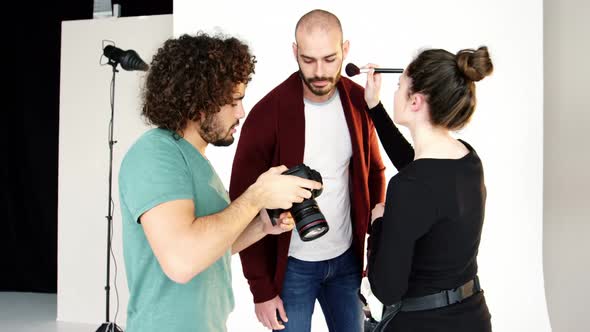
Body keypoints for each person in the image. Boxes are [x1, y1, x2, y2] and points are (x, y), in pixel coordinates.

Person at [118, 33, 322, 332]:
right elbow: (182, 260)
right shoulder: (155, 154)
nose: (241, 112)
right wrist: (255, 197)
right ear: (200, 103)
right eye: (233, 102)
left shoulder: (196, 161)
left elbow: (209, 248)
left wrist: (262, 226)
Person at [229, 9, 412, 332]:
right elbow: (243, 203)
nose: (319, 72)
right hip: (292, 268)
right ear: (294, 52)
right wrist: (261, 289)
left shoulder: (358, 101)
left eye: (329, 59)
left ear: (346, 50)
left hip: (348, 263)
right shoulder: (267, 113)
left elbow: (374, 171)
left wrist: (375, 244)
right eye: (309, 60)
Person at [363, 46, 494, 331]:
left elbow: (386, 289)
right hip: (473, 318)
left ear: (415, 102)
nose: (395, 92)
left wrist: (378, 224)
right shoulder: (468, 159)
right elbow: (416, 169)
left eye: (399, 87)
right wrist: (374, 106)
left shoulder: (410, 187)